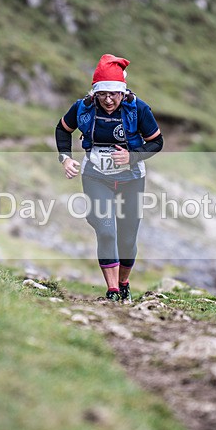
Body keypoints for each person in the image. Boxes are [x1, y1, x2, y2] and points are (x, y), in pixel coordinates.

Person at [55, 54, 163, 302]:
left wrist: (133, 157)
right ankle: (112, 291)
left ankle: (124, 283)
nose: (108, 99)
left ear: (123, 92)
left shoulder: (138, 109)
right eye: (102, 94)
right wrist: (66, 157)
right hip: (96, 177)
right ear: (95, 93)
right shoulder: (82, 108)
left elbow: (157, 142)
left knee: (127, 238)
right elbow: (63, 128)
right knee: (106, 230)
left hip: (131, 179)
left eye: (114, 94)